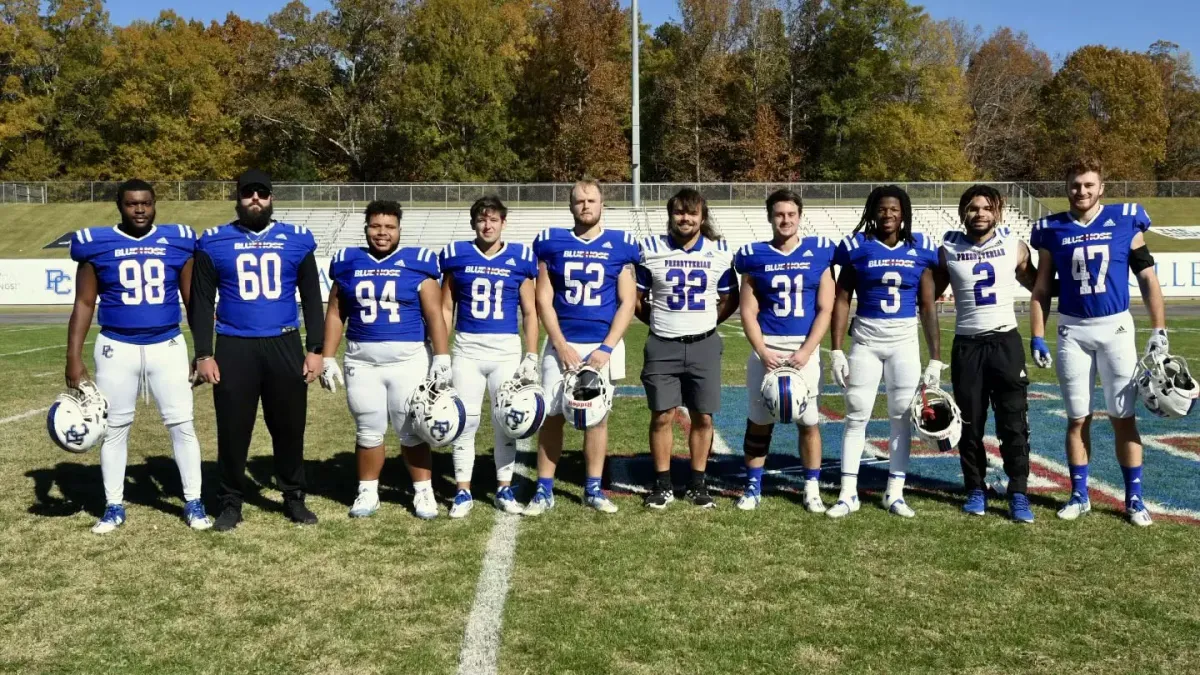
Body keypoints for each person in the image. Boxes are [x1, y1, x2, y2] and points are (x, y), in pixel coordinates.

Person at [1029, 158, 1168, 526]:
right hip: (1072, 330)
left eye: (1089, 185)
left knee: (1124, 417)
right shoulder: (1051, 228)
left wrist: (1158, 330)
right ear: (1066, 187)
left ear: (1101, 187)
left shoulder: (1126, 218)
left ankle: (1134, 499)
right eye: (1075, 185)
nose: (1082, 191)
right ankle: (1080, 495)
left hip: (1116, 328)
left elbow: (1148, 279)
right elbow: (1042, 288)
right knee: (1077, 417)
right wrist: (1038, 336)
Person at [65, 178, 208, 534]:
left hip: (167, 345)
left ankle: (193, 500)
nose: (139, 210)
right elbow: (84, 303)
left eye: (145, 203)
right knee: (114, 429)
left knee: (182, 424)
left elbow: (193, 303)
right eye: (131, 204)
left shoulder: (178, 241)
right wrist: (73, 357)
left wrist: (204, 351)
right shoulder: (96, 245)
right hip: (117, 346)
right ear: (119, 205)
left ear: (155, 203)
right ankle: (114, 505)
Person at [189, 169, 326, 531]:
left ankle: (294, 496)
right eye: (248, 193)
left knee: (289, 427)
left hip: (284, 341)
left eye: (261, 194)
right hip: (234, 344)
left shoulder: (296, 239)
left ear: (271, 198)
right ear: (237, 198)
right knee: (233, 429)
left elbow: (312, 297)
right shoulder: (214, 240)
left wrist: (316, 349)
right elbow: (202, 302)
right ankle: (230, 501)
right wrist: (204, 353)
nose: (255, 199)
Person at [319, 200, 450, 520]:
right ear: (366, 229)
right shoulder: (348, 262)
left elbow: (435, 314)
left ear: (399, 229)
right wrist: (327, 356)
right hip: (362, 360)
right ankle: (367, 491)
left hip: (408, 360)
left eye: (389, 227)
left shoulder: (418, 263)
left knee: (412, 429)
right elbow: (336, 312)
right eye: (376, 226)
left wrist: (442, 357)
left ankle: (424, 493)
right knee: (368, 428)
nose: (382, 233)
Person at [524, 179, 639, 515]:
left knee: (597, 418)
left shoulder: (621, 245)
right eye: (579, 201)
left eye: (591, 200)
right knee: (552, 416)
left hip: (602, 345)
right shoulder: (551, 242)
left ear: (602, 203)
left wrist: (606, 347)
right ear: (570, 205)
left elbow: (627, 301)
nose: (586, 205)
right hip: (563, 342)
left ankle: (592, 488)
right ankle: (544, 490)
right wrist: (560, 345)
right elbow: (543, 298)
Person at [828, 185, 942, 519]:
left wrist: (935, 357)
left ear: (903, 212)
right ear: (872, 212)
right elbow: (842, 299)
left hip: (904, 341)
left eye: (894, 209)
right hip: (866, 339)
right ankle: (848, 493)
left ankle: (894, 492)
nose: (888, 214)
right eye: (882, 209)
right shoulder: (857, 247)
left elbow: (928, 305)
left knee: (901, 418)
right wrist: (836, 350)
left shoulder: (920, 248)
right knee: (856, 413)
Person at [933, 185, 1044, 522]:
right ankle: (976, 488)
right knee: (970, 424)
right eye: (972, 208)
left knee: (1013, 422)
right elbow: (928, 296)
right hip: (967, 345)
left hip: (1005, 342)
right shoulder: (947, 249)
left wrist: (1040, 333)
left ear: (998, 212)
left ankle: (1019, 492)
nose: (979, 213)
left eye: (986, 208)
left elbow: (1039, 288)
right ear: (962, 212)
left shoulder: (1014, 245)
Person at [733, 189, 835, 512]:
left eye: (791, 214)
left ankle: (811, 487)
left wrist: (806, 350)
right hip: (769, 349)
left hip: (803, 349)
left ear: (799, 216)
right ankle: (752, 487)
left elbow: (825, 309)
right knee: (759, 420)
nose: (785, 220)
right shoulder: (754, 255)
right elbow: (747, 311)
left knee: (809, 420)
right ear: (770, 218)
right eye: (779, 214)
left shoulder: (819, 252)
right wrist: (762, 350)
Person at [635, 188, 738, 510]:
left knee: (703, 417)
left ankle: (697, 483)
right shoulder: (651, 250)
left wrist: (708, 323)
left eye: (691, 212)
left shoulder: (719, 251)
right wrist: (658, 324)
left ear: (702, 217)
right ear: (671, 216)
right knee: (662, 415)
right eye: (679, 212)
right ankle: (662, 484)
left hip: (704, 344)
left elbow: (730, 298)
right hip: (662, 343)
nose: (685, 218)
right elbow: (636, 299)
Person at [438, 196, 539, 518]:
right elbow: (445, 308)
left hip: (506, 351)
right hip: (467, 349)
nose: (487, 225)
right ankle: (463, 491)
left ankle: (504, 488)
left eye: (494, 219)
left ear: (503, 223)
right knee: (464, 422)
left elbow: (530, 311)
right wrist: (440, 353)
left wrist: (532, 354)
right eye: (482, 219)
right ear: (473, 224)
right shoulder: (457, 255)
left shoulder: (521, 257)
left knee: (506, 423)